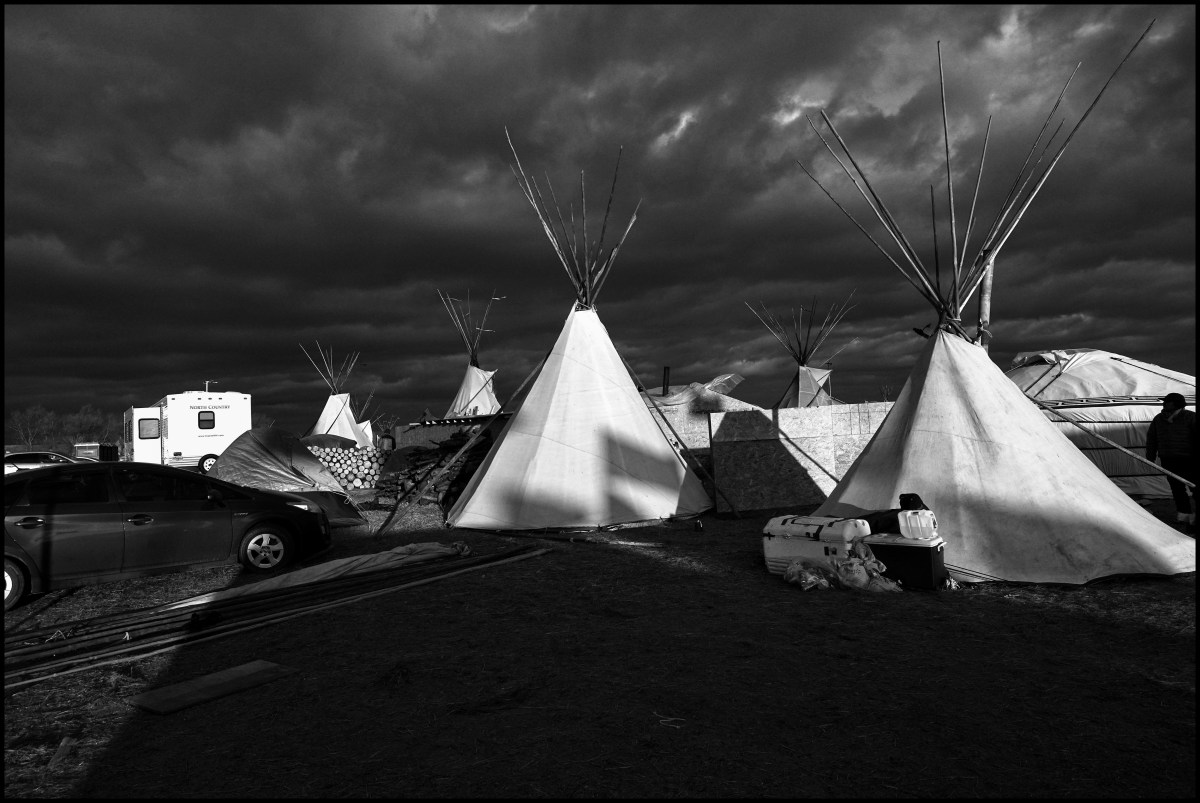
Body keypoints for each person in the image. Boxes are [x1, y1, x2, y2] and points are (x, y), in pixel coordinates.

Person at [1145, 392, 1196, 530]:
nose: (1164, 403)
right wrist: (1150, 456)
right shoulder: (1158, 419)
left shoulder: (1190, 417)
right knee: (1177, 490)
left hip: (1190, 461)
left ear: (1176, 404)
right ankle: (1185, 519)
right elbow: (1152, 438)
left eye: (1168, 401)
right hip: (1168, 460)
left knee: (1196, 489)